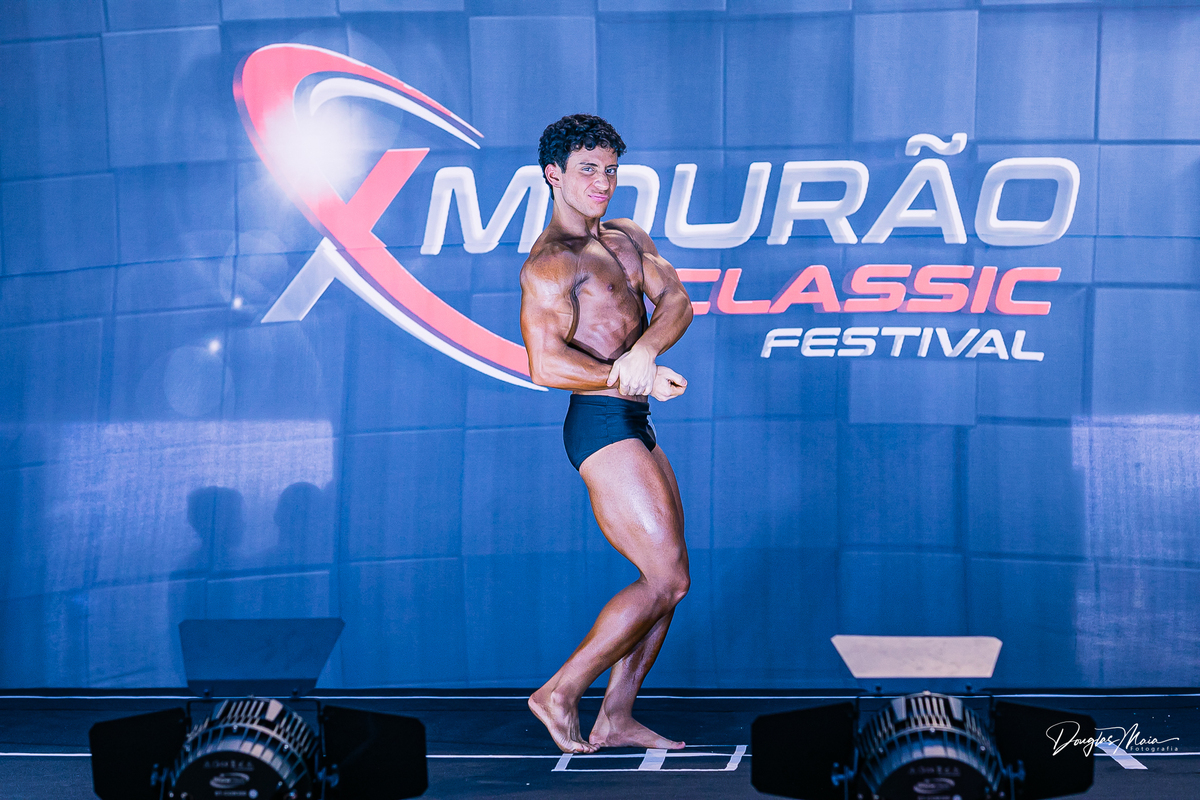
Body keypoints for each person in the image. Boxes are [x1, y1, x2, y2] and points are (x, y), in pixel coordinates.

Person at [519, 114, 694, 754]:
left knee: (669, 577)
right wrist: (626, 376)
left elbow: (677, 301)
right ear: (554, 174)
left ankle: (616, 716)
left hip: (634, 419)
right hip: (599, 423)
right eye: (587, 169)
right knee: (666, 578)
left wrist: (644, 354)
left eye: (611, 169)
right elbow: (544, 364)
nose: (602, 182)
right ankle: (559, 692)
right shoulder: (551, 263)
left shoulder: (625, 236)